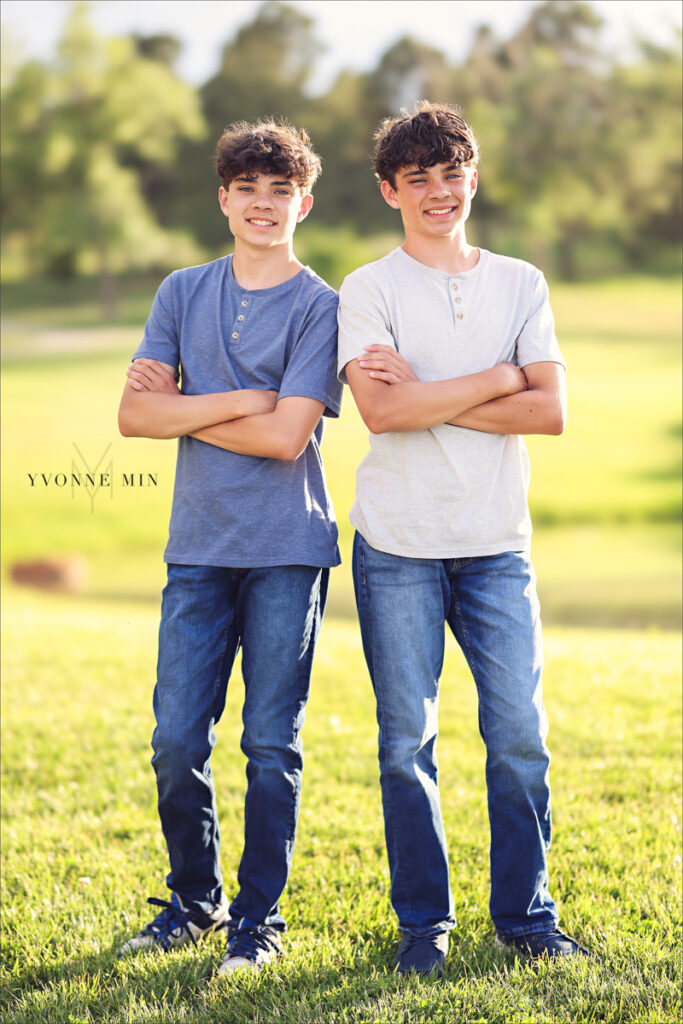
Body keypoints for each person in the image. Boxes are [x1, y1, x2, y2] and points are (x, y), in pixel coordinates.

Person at [336, 101, 590, 977]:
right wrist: (495, 378)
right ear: (389, 192)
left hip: (495, 544)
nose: (438, 192)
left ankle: (526, 918)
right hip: (397, 545)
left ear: (471, 178)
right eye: (418, 180)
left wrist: (433, 393)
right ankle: (424, 926)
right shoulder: (368, 288)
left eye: (451, 175)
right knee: (406, 743)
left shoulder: (520, 282)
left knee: (518, 733)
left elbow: (549, 411)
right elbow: (381, 409)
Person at [117, 119, 342, 976]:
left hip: (288, 547)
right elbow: (137, 417)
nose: (261, 203)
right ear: (223, 199)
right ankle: (195, 900)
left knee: (268, 744)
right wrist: (248, 397)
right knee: (177, 737)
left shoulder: (324, 306)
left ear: (303, 203)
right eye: (246, 188)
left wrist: (198, 402)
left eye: (278, 191)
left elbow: (290, 439)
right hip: (199, 549)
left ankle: (258, 920)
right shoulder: (180, 292)